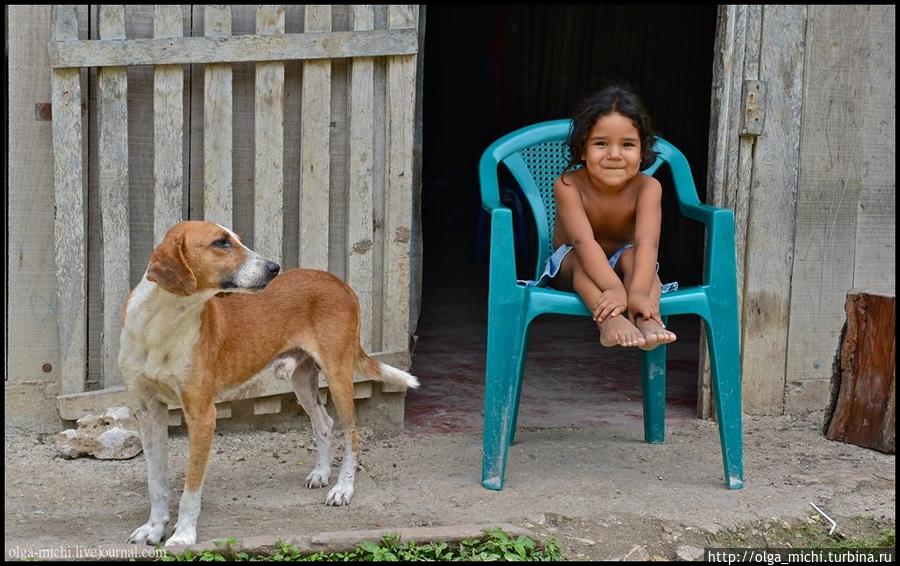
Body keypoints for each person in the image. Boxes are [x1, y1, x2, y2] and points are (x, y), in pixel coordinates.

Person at [536, 83, 678, 349]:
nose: (614, 155)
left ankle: (646, 316)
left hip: (623, 265)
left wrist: (635, 292)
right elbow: (582, 242)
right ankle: (609, 321)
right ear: (582, 149)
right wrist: (614, 289)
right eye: (601, 143)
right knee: (580, 261)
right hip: (575, 266)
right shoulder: (568, 185)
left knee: (639, 262)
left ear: (642, 151)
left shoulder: (648, 188)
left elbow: (648, 244)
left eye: (627, 144)